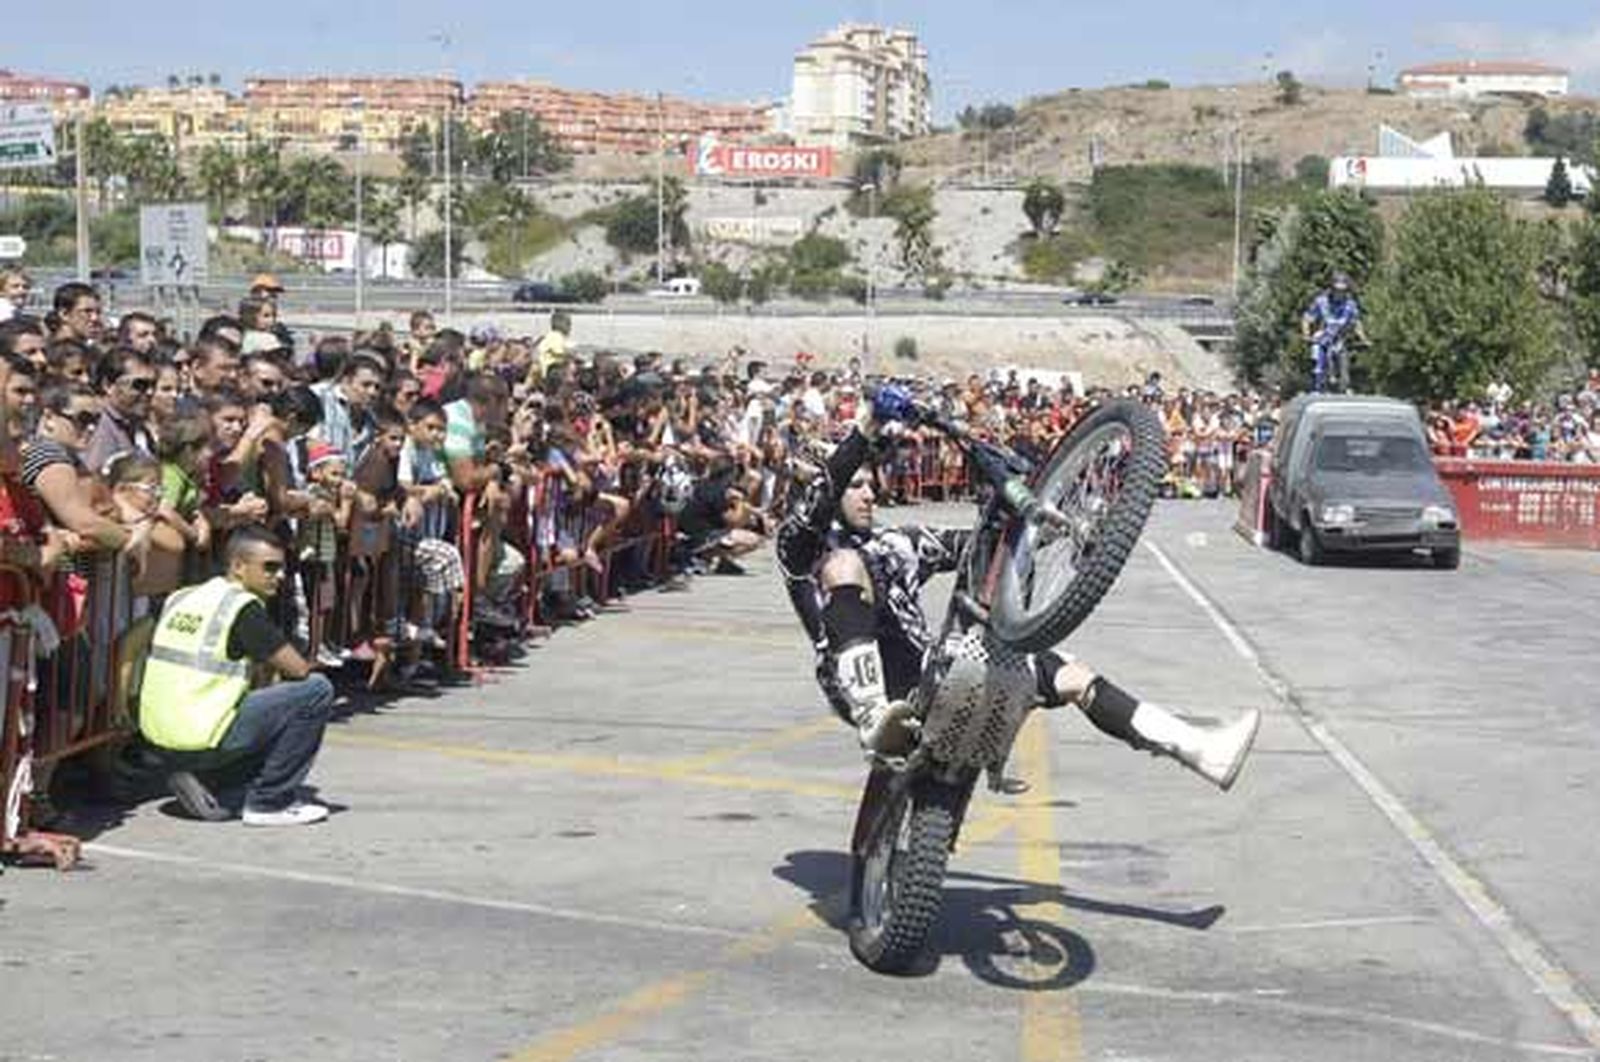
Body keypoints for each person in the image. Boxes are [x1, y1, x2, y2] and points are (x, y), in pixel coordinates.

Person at [774, 398, 1261, 791]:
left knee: (1070, 674)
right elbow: (823, 495)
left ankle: (1196, 748)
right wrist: (866, 428)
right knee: (845, 566)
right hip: (861, 687)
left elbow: (976, 546)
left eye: (870, 484)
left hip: (926, 674)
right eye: (855, 486)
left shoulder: (900, 543)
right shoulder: (803, 548)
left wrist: (1062, 524)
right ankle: (873, 718)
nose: (868, 494)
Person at [138, 526, 336, 827]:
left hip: (158, 738)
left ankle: (209, 782)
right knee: (315, 691)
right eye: (269, 567)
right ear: (238, 567)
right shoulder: (240, 607)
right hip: (200, 737)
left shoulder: (183, 596)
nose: (279, 576)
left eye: (283, 568)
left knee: (263, 701)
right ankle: (270, 802)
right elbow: (298, 670)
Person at [1301, 272, 1367, 393]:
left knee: (1345, 357)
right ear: (1332, 288)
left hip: (1340, 339)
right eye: (1337, 290)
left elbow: (1357, 322)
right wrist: (1306, 334)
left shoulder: (1350, 304)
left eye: (1343, 290)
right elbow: (1307, 318)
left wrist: (1363, 338)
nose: (1340, 293)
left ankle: (1345, 385)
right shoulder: (1321, 302)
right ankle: (1316, 384)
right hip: (1322, 338)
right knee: (1316, 355)